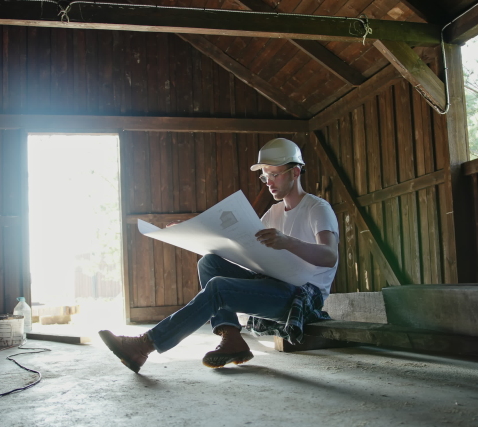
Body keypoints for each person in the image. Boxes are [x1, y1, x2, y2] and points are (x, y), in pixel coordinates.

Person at [99, 138, 339, 373]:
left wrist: (287, 242)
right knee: (209, 263)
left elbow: (329, 256)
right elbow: (245, 248)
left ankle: (143, 346)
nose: (268, 182)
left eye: (275, 174)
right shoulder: (273, 213)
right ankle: (231, 337)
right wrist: (188, 230)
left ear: (295, 172)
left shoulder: (317, 209)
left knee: (218, 288)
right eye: (265, 176)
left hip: (302, 297)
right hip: (274, 285)